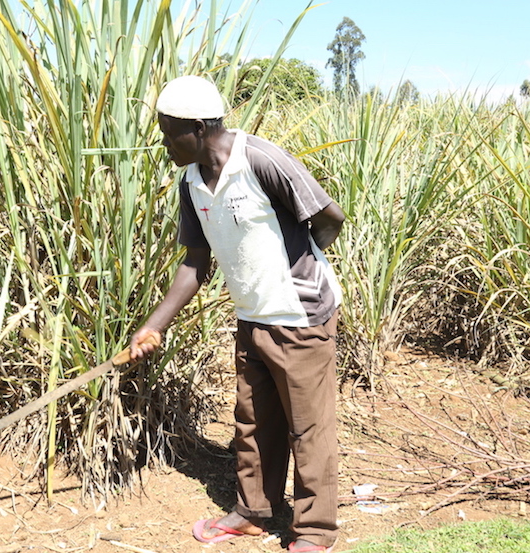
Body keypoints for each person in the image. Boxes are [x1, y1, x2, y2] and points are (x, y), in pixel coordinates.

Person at [128, 75, 345, 553]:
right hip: (252, 316)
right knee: (253, 421)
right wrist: (153, 326)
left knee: (308, 427)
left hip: (301, 314)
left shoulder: (261, 160)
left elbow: (329, 215)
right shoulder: (191, 183)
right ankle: (254, 512)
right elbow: (194, 264)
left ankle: (314, 532)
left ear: (201, 127)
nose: (164, 143)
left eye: (169, 133)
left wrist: (302, 265)